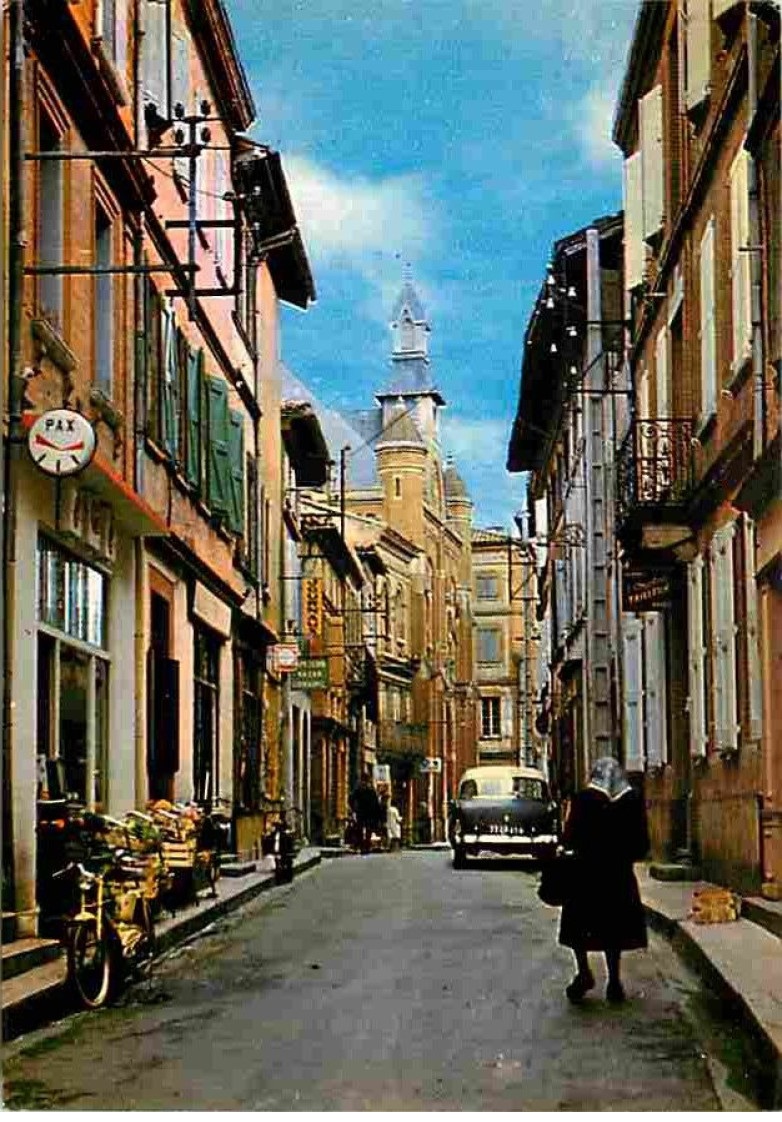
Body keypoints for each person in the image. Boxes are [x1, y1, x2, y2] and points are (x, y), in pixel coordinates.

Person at [558, 756, 650, 1004]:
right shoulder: (631, 802)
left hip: (584, 876)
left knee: (578, 928)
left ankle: (584, 972)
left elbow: (569, 838)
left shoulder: (582, 800)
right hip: (617, 876)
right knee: (613, 928)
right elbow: (641, 846)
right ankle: (614, 980)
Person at [349, 773, 381, 855]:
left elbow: (351, 798)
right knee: (366, 830)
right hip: (368, 813)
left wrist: (353, 809)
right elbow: (376, 803)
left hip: (362, 812)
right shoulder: (371, 790)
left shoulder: (359, 789)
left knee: (361, 829)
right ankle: (366, 847)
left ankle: (363, 846)